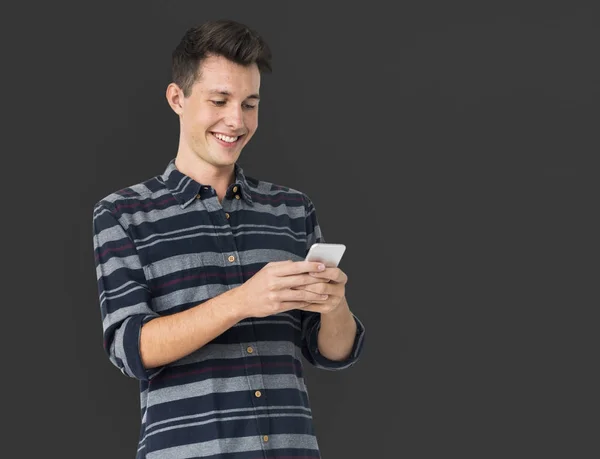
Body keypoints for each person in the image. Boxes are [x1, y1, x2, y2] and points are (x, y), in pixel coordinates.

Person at [92, 19, 365, 459]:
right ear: (177, 98)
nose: (236, 121)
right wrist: (242, 300)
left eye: (250, 104)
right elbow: (132, 349)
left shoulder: (292, 209)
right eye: (219, 100)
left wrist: (335, 306)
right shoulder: (123, 214)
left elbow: (332, 352)